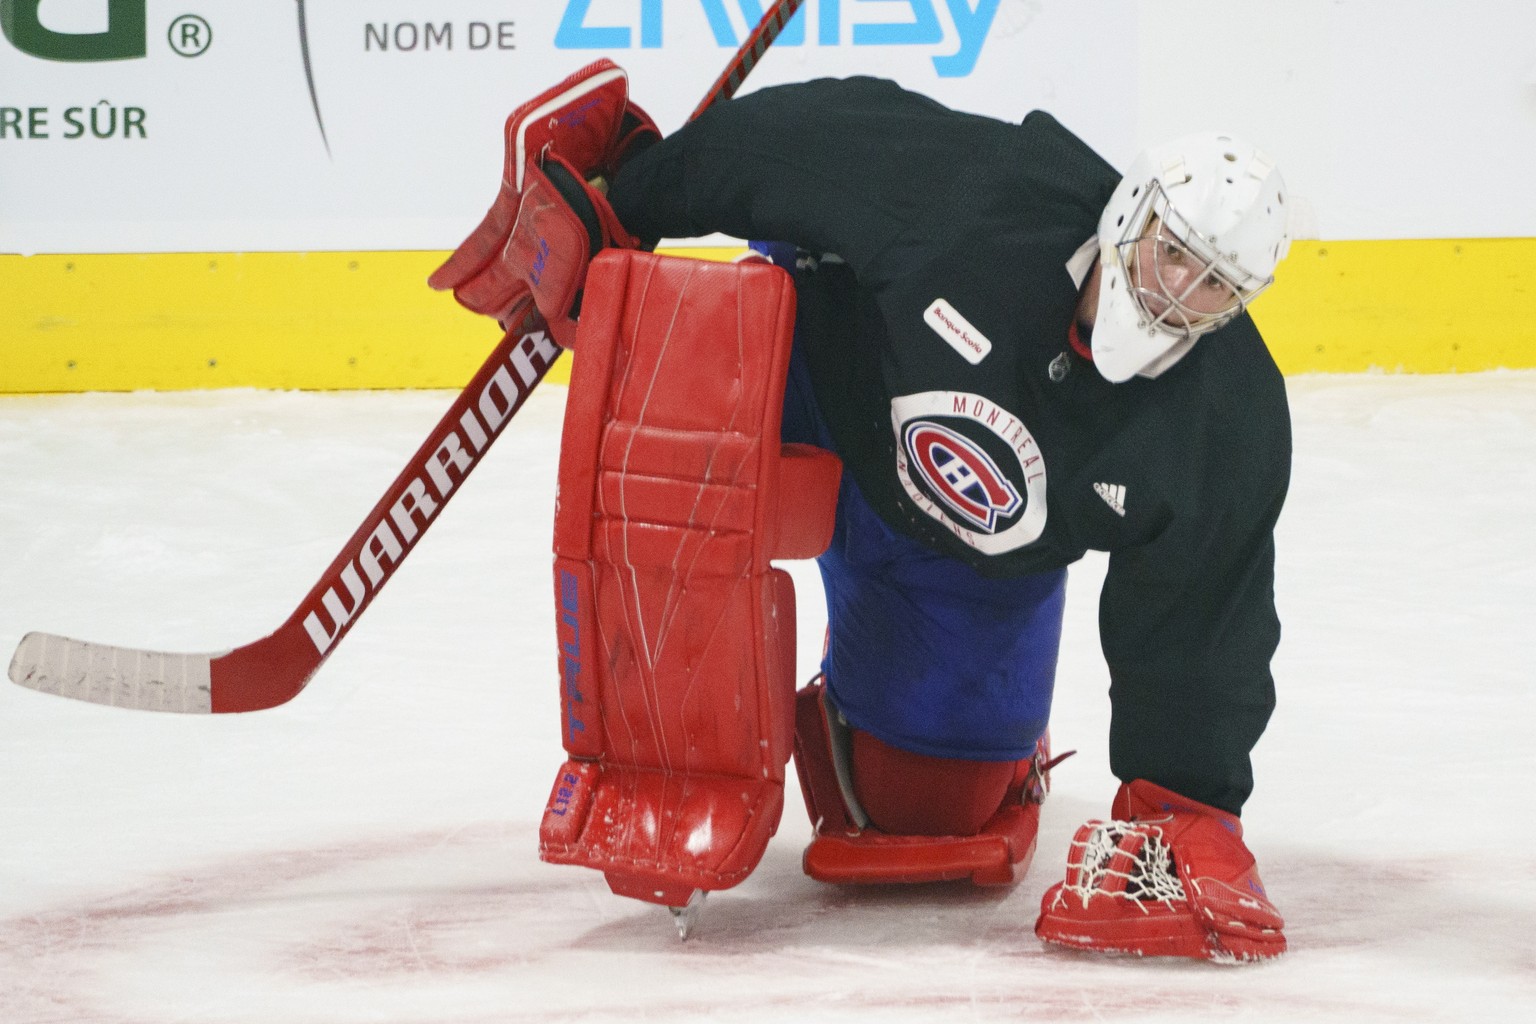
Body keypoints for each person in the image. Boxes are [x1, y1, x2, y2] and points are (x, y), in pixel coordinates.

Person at [432, 63, 1292, 963]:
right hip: (814, 383)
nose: (1176, 290)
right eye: (1173, 252)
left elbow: (1202, 619)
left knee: (921, 815)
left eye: (1214, 286)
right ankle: (666, 748)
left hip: (962, 556)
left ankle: (925, 724)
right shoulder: (983, 199)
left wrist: (1186, 798)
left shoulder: (1225, 420)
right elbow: (808, 138)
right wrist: (633, 200)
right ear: (1131, 211)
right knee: (673, 341)